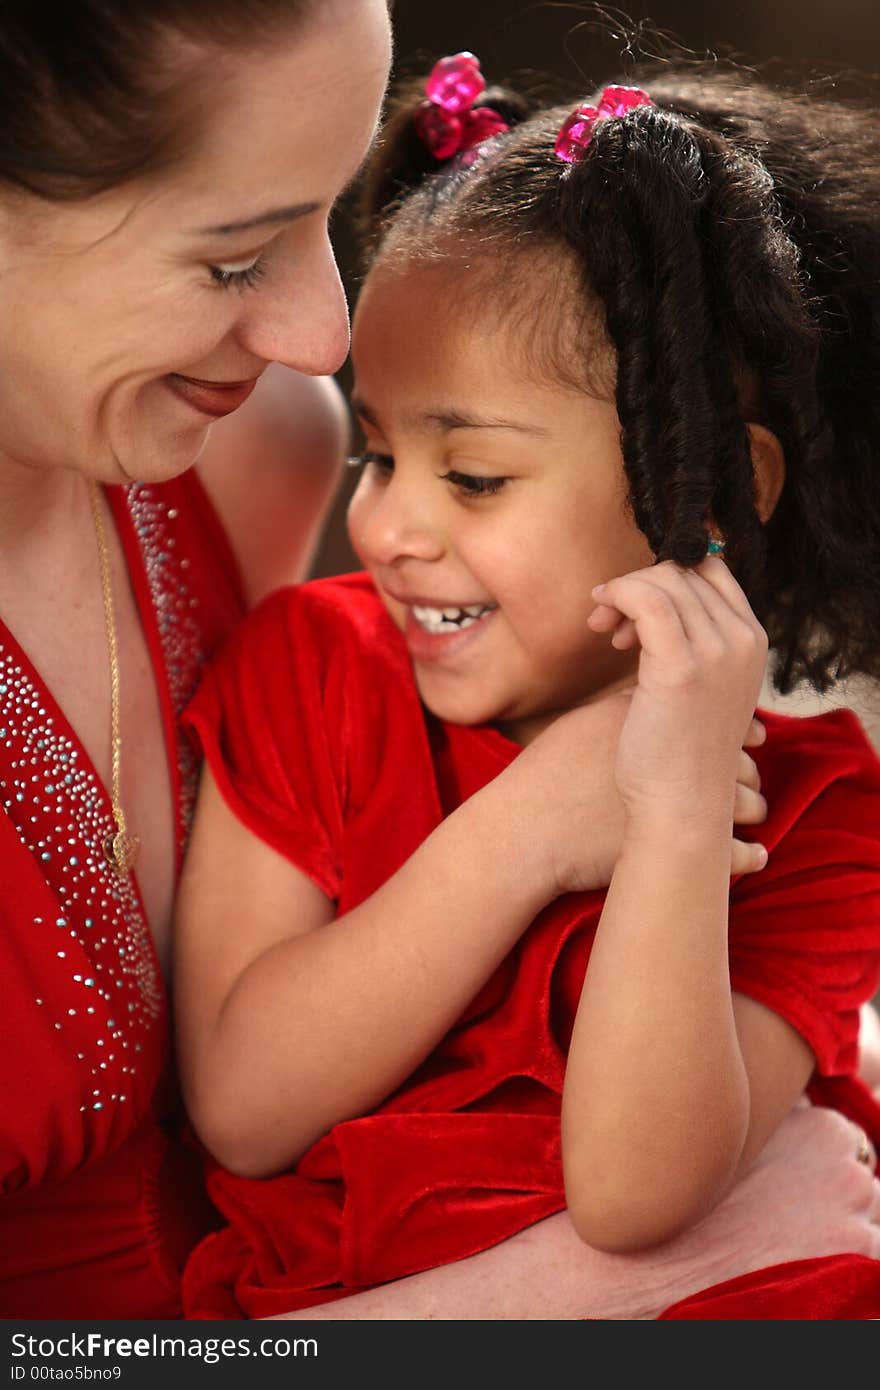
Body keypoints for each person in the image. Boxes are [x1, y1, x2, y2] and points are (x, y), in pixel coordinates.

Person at [175, 56, 880, 1318]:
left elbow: (630, 1194)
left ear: (720, 492)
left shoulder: (815, 820)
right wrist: (528, 827)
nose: (384, 524)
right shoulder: (312, 664)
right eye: (381, 450)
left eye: (476, 476)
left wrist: (667, 812)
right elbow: (241, 1109)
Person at [0, 0, 393, 1319]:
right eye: (233, 261)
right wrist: (569, 1305)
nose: (321, 333)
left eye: (329, 211)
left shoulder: (253, 452)